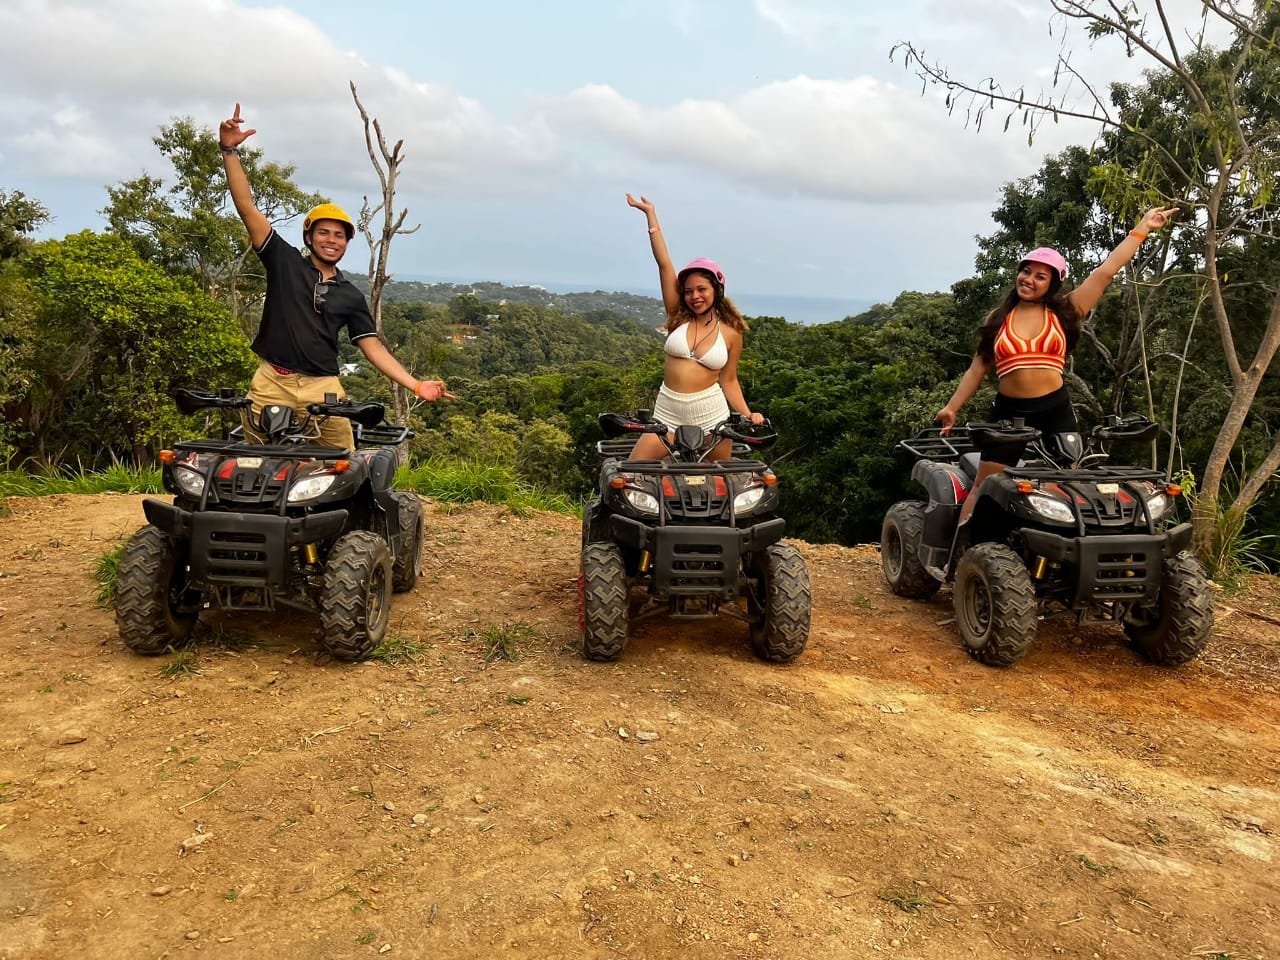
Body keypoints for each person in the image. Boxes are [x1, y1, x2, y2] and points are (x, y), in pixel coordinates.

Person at [218, 103, 451, 449]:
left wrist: (415, 385)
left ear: (346, 242)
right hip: (271, 382)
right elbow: (246, 208)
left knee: (341, 460)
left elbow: (372, 347)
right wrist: (229, 151)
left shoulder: (350, 295)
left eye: (339, 235)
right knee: (260, 460)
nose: (331, 240)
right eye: (324, 233)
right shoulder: (284, 262)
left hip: (322, 386)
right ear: (309, 237)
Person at [937, 205, 1178, 523]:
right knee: (986, 484)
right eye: (1026, 272)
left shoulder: (1065, 311)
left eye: (1040, 276)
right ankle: (960, 548)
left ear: (1052, 284)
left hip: (1055, 410)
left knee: (1068, 485)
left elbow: (1106, 272)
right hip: (1009, 415)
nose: (1029, 280)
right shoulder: (998, 319)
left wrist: (1142, 228)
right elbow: (977, 369)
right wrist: (952, 408)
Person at [625, 193, 764, 460]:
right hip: (667, 414)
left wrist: (748, 414)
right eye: (688, 291)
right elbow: (664, 264)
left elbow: (729, 380)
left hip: (712, 417)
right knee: (633, 473)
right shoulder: (678, 316)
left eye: (702, 289)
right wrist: (650, 214)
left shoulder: (731, 333)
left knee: (719, 481)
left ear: (716, 290)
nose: (694, 296)